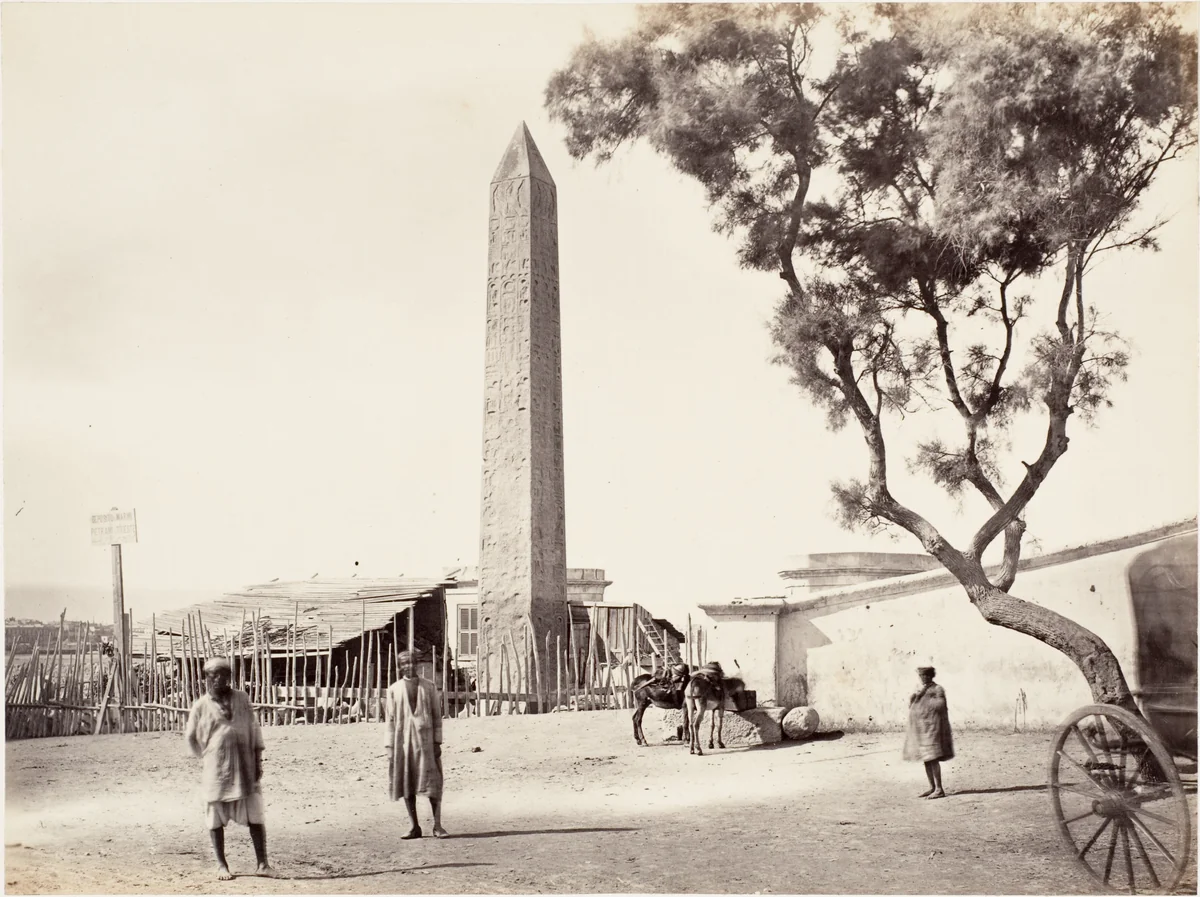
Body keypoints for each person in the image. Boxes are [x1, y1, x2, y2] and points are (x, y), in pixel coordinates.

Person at [185, 656, 274, 880]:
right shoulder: (200, 706)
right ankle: (221, 865)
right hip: (216, 770)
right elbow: (191, 738)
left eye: (224, 675)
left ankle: (263, 864)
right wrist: (206, 757)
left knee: (255, 812)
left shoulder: (242, 699)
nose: (219, 680)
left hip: (245, 766)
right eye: (213, 675)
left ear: (230, 677)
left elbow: (255, 731)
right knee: (214, 815)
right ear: (205, 678)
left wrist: (258, 759)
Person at [385, 650, 447, 839]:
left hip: (426, 743)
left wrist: (437, 741)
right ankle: (414, 826)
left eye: (411, 663)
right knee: (407, 783)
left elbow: (437, 716)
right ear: (399, 667)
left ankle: (437, 825)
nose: (408, 667)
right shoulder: (394, 690)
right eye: (404, 664)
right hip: (403, 744)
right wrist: (390, 747)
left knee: (433, 783)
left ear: (417, 665)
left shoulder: (429, 688)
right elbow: (390, 720)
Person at [903, 665, 954, 799]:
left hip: (933, 729)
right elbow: (912, 706)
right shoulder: (920, 689)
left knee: (932, 759)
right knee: (926, 759)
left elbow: (940, 705)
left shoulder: (937, 689)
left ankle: (939, 789)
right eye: (921, 676)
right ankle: (932, 787)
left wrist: (924, 701)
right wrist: (913, 698)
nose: (923, 678)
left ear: (930, 676)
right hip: (922, 730)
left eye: (925, 675)